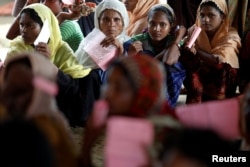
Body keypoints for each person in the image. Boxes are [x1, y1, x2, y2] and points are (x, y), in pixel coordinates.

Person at [6, 3, 100, 126]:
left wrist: (51, 68)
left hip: (55, 96)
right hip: (30, 98)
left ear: (44, 27)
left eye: (30, 26)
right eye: (21, 25)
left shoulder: (59, 46)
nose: (24, 30)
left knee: (89, 79)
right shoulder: (18, 48)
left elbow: (74, 83)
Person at [80, 54, 176, 167]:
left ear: (142, 92)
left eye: (119, 88)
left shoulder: (167, 138)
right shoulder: (125, 122)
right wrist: (88, 143)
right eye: (108, 84)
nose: (107, 93)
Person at [0, 52, 79, 167]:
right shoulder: (4, 117)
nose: (7, 97)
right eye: (6, 88)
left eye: (20, 91)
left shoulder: (52, 135)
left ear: (41, 94)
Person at [124, 4, 187, 107]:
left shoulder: (173, 41)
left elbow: (169, 59)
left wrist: (178, 37)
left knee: (173, 65)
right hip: (146, 83)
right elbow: (126, 49)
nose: (156, 29)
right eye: (152, 23)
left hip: (166, 85)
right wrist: (132, 54)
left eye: (162, 25)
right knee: (144, 56)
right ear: (147, 24)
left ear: (171, 25)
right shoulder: (140, 40)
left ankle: (166, 105)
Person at [181, 0, 241, 104]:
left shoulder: (230, 34)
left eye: (211, 15)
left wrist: (197, 51)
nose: (205, 20)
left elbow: (218, 60)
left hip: (221, 81)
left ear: (222, 16)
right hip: (200, 76)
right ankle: (196, 105)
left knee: (225, 67)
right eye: (202, 15)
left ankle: (220, 103)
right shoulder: (194, 31)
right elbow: (185, 48)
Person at [74, 0, 130, 82]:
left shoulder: (129, 43)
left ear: (124, 22)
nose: (111, 24)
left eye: (116, 19)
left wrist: (120, 50)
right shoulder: (90, 40)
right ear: (98, 21)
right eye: (106, 19)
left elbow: (128, 77)